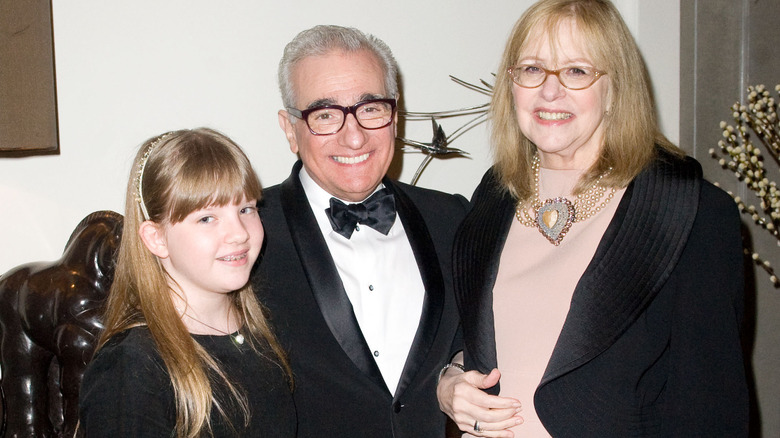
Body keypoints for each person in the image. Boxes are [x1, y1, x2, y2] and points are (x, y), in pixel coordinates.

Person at [436, 0, 749, 436]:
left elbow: (711, 410)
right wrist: (449, 378)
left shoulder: (692, 213)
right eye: (531, 69)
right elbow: (480, 333)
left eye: (577, 71)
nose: (549, 91)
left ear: (616, 89)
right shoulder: (494, 194)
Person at [252, 25, 470, 437]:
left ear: (395, 113)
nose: (354, 138)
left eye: (370, 109)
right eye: (326, 115)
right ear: (289, 128)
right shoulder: (245, 233)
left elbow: (480, 334)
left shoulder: (454, 218)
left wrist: (458, 369)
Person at [79, 128, 296, 437]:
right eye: (207, 218)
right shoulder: (132, 368)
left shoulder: (262, 329)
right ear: (156, 238)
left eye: (246, 209)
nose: (239, 233)